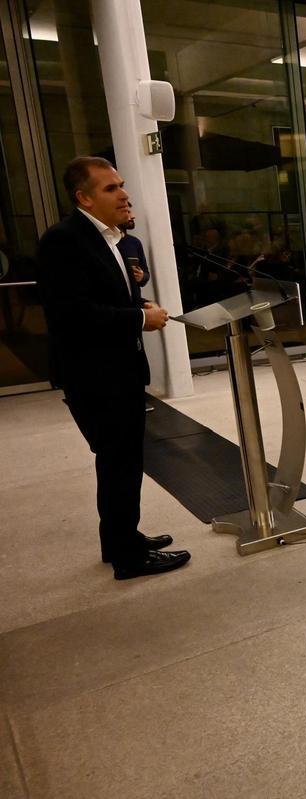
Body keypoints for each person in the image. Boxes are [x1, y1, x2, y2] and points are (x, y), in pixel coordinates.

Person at [37, 156, 189, 580]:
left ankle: (121, 538)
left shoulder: (110, 239)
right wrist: (140, 319)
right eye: (109, 188)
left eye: (121, 185)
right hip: (95, 375)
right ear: (83, 197)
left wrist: (137, 304)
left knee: (119, 460)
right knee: (119, 460)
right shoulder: (64, 241)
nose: (123, 194)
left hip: (116, 369)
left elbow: (102, 295)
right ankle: (129, 556)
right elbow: (72, 313)